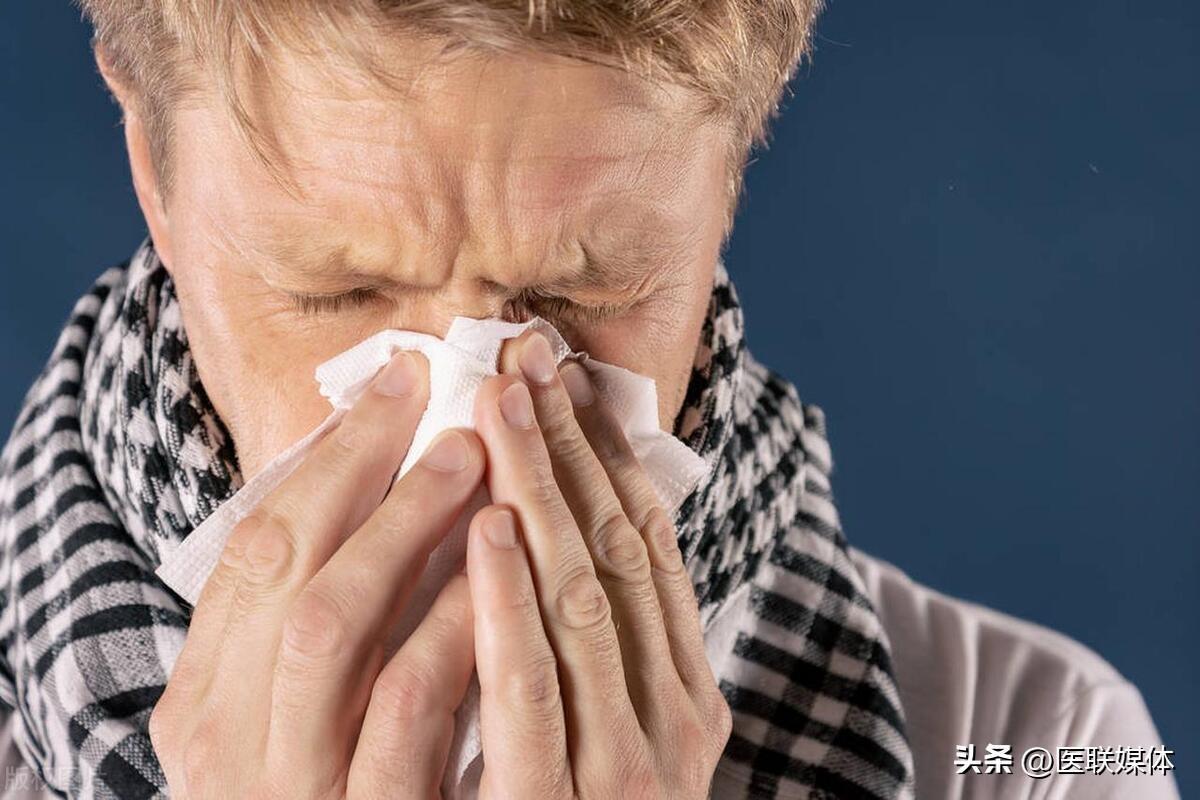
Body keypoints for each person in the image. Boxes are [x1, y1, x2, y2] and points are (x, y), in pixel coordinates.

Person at [0, 2, 1178, 798]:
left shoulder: (1045, 742)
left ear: (727, 186)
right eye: (335, 288)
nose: (463, 425)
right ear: (152, 168)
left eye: (582, 293)